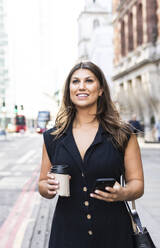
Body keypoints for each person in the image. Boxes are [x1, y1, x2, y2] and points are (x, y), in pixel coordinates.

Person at [39, 61, 144, 247]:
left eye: (89, 81)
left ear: (101, 89)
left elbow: (137, 184)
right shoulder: (52, 137)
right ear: (69, 90)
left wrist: (123, 193)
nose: (81, 86)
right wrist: (47, 189)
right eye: (75, 81)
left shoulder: (123, 134)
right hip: (67, 234)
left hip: (114, 233)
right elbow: (42, 183)